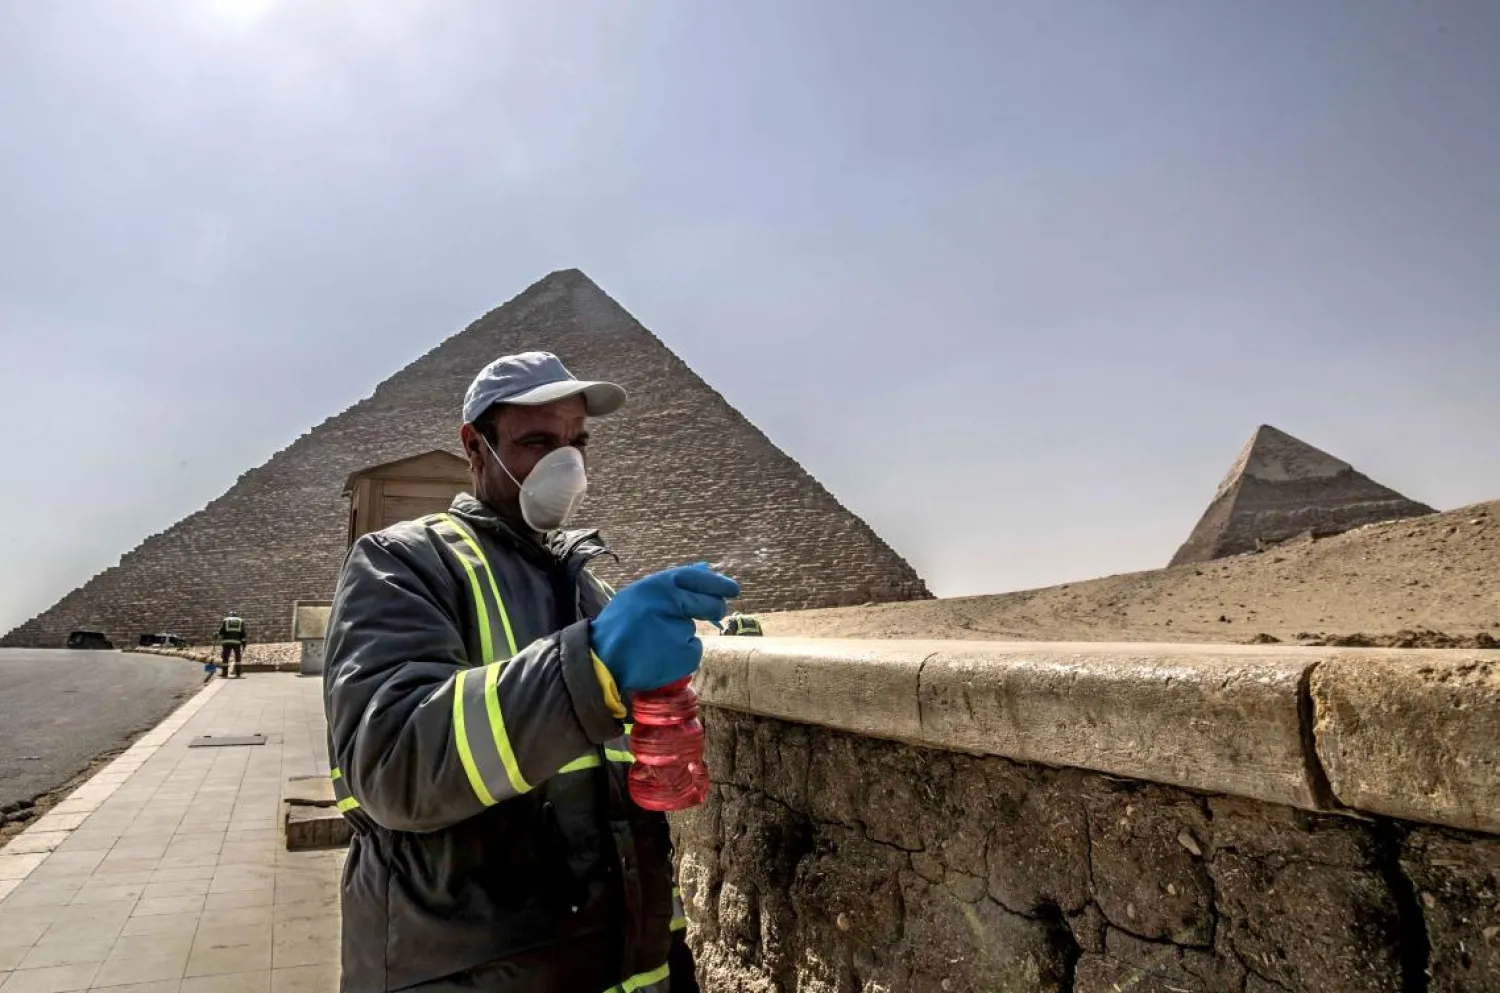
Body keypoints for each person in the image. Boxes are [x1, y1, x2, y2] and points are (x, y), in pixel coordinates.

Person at [323, 350, 739, 993]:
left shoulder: (591, 587)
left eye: (577, 442)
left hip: (627, 959)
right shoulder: (402, 564)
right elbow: (392, 762)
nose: (565, 464)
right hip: (468, 968)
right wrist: (592, 663)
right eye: (538, 441)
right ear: (475, 446)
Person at [216, 610, 247, 678]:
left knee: (225, 658)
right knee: (238, 658)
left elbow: (221, 631)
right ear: (236, 615)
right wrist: (244, 644)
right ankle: (238, 674)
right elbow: (243, 634)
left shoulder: (226, 620)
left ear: (230, 615)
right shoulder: (240, 621)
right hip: (237, 642)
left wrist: (217, 635)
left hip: (226, 642)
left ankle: (224, 674)